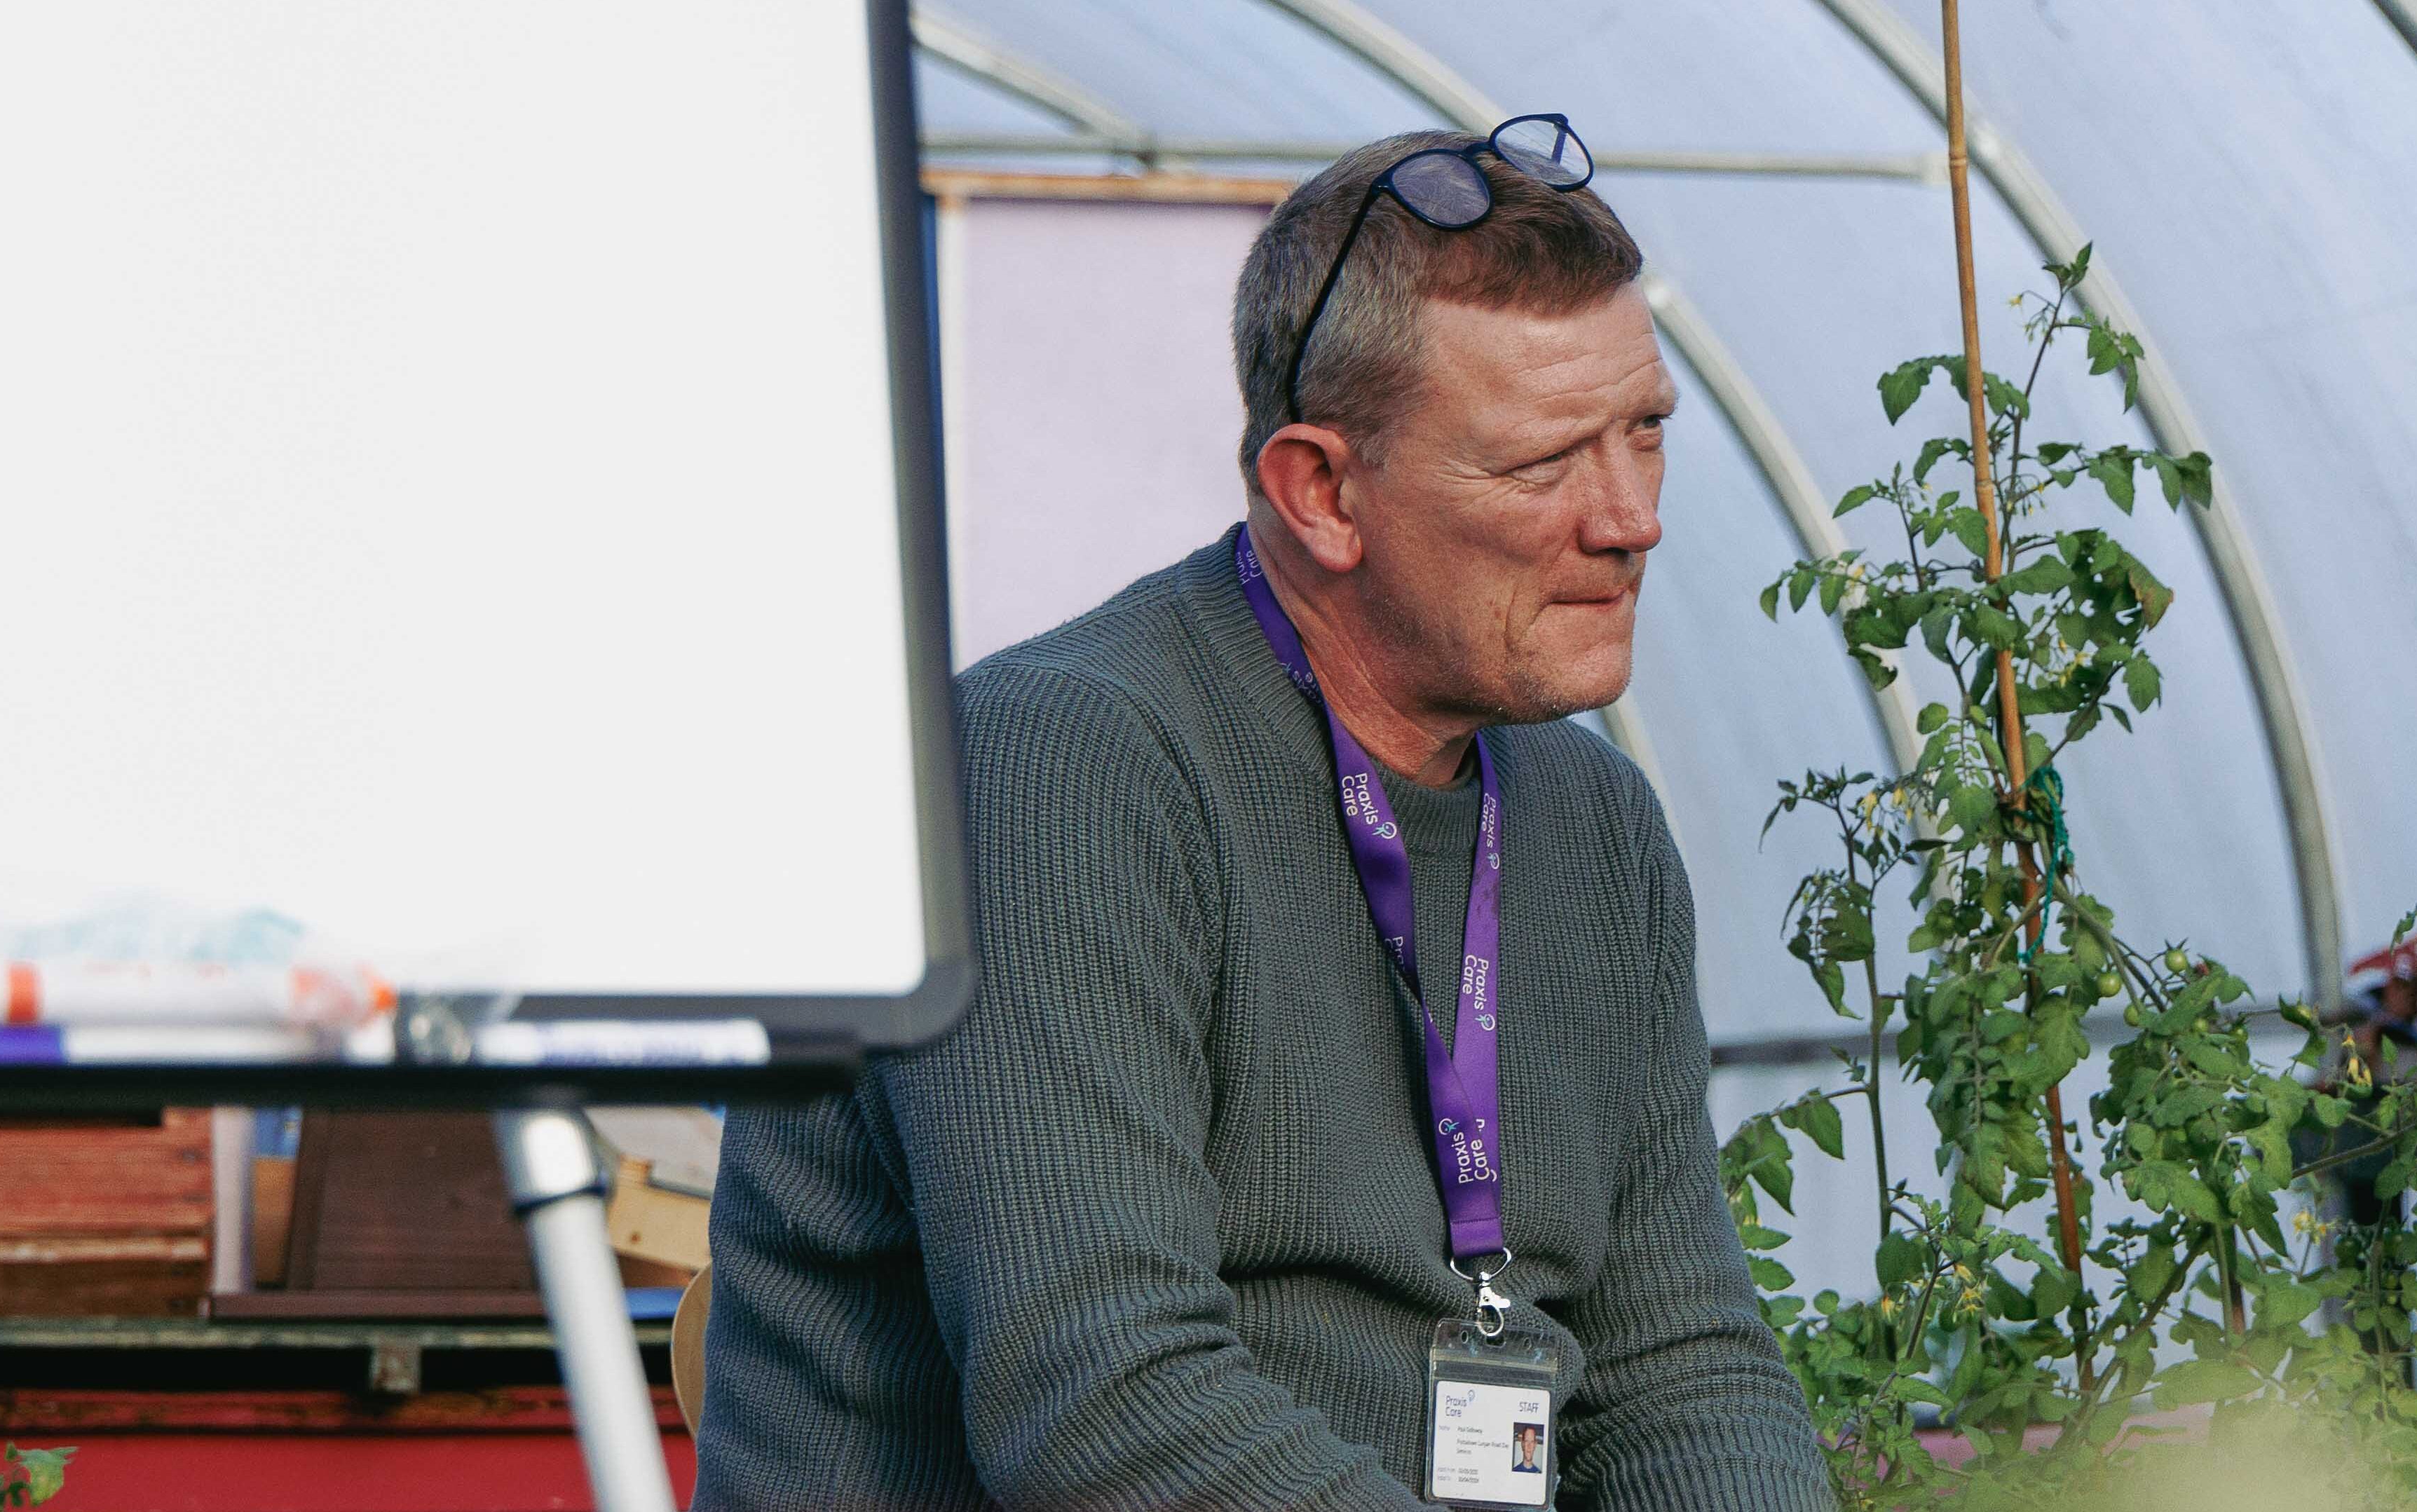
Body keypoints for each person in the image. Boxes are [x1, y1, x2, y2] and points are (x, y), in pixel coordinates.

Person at [697, 118, 1833, 1511]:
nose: (1628, 517)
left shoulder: (1591, 820)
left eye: (1644, 431)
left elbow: (1680, 1364)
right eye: (1544, 463)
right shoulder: (1059, 767)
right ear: (1320, 492)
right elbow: (1107, 1408)